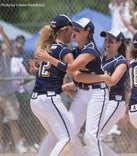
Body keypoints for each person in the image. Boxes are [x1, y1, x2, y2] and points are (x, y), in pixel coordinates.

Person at [35, 17, 109, 156]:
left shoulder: (90, 49)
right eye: (73, 28)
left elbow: (72, 68)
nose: (73, 31)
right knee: (69, 132)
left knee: (90, 137)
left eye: (78, 29)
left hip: (97, 93)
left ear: (87, 32)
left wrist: (49, 58)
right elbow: (77, 77)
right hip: (82, 92)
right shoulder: (76, 50)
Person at [29, 14, 84, 156]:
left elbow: (46, 73)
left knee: (56, 136)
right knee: (68, 138)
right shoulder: (64, 51)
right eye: (71, 29)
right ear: (64, 30)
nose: (73, 32)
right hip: (49, 99)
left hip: (36, 100)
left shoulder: (46, 48)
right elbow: (76, 74)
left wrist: (37, 69)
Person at [69, 28, 128, 156]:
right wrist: (66, 86)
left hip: (114, 102)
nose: (107, 43)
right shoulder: (101, 59)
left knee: (92, 137)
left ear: (119, 43)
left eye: (111, 40)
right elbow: (89, 79)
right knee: (91, 138)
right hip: (101, 101)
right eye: (106, 40)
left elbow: (112, 81)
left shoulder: (121, 61)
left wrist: (99, 78)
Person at [0, 25, 27, 153]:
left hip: (7, 94)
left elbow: (9, 46)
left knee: (13, 120)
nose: (1, 49)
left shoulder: (5, 57)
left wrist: (2, 33)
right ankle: (1, 144)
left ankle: (18, 144)